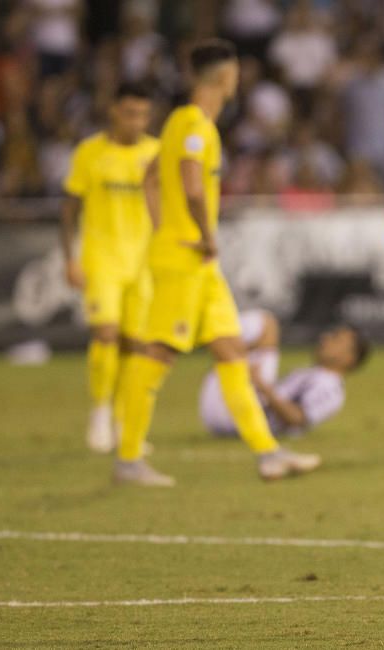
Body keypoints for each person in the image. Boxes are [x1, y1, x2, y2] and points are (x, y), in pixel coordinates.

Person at [114, 39, 321, 486]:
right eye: (236, 75)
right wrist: (201, 236)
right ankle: (128, 458)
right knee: (159, 351)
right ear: (226, 79)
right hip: (187, 256)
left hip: (194, 259)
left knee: (231, 351)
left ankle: (268, 453)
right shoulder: (194, 125)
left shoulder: (180, 123)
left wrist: (160, 227)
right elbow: (190, 186)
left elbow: (150, 179)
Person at [60, 82, 159, 453]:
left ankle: (123, 423)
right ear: (114, 111)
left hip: (144, 262)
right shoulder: (90, 152)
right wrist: (69, 258)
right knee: (105, 334)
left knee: (135, 345)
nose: (136, 121)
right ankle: (99, 413)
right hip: (102, 258)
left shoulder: (157, 153)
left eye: (143, 115)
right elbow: (69, 208)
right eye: (130, 113)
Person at [199, 310, 370, 438]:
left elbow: (297, 419)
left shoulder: (330, 388)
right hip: (231, 413)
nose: (325, 338)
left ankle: (197, 331)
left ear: (350, 358)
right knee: (235, 348)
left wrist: (263, 387)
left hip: (241, 420)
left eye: (336, 338)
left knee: (266, 324)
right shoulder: (314, 374)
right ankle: (202, 332)